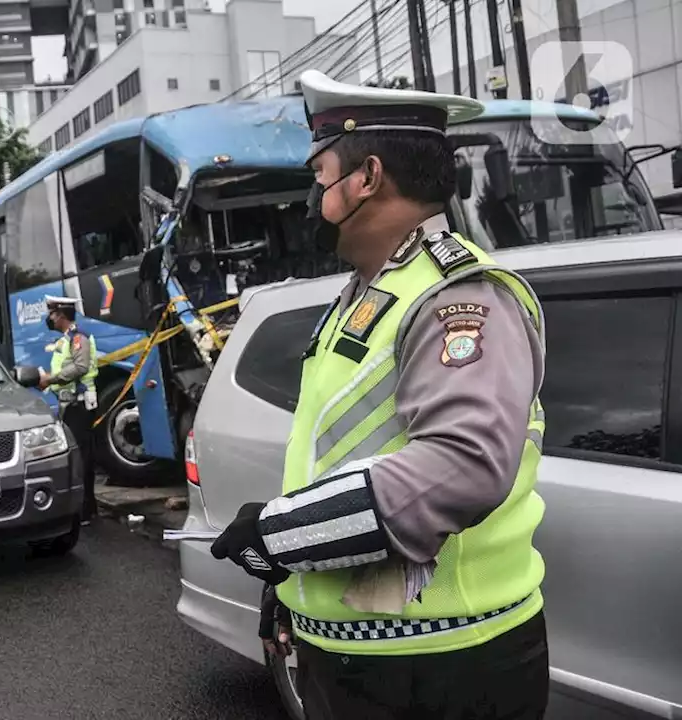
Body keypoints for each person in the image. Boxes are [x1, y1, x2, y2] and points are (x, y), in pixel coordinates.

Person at [208, 70, 549, 719]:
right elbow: (341, 456)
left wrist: (281, 536)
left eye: (319, 176)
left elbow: (463, 469)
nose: (310, 197)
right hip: (363, 663)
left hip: (443, 668)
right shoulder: (365, 295)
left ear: (365, 177)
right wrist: (295, 581)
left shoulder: (458, 297)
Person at [36, 296, 99, 525]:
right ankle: (85, 508)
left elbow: (81, 367)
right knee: (78, 456)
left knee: (82, 457)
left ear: (61, 314)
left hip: (79, 405)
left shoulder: (78, 337)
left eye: (52, 313)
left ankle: (86, 509)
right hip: (70, 404)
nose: (50, 318)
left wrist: (51, 379)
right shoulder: (66, 339)